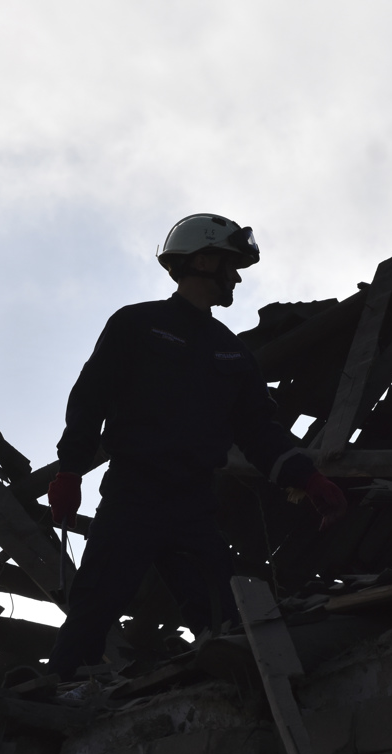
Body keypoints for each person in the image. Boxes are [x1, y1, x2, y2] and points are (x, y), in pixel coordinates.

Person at [46, 214, 348, 681]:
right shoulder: (137, 325)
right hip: (134, 496)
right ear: (203, 261)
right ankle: (50, 712)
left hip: (193, 508)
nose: (237, 276)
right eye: (231, 264)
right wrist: (69, 472)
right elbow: (89, 399)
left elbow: (258, 430)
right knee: (93, 612)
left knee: (225, 619)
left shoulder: (230, 352)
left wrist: (307, 478)